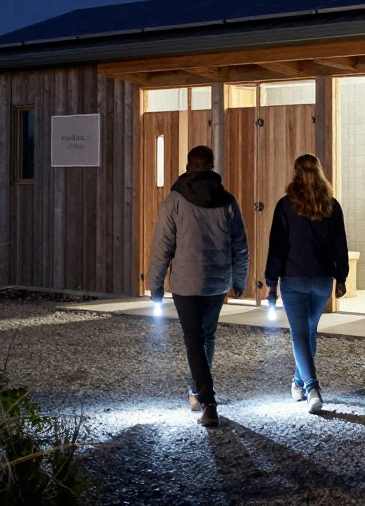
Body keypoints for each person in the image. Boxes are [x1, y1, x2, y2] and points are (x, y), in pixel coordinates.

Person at [148, 145, 249, 428]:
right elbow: (240, 244)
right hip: (217, 282)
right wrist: (239, 279)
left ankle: (207, 401)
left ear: (189, 166)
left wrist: (155, 283)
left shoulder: (175, 200)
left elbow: (162, 245)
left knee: (194, 339)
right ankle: (197, 391)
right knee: (207, 336)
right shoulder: (227, 200)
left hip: (186, 281)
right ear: (213, 166)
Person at [264, 153, 349, 414]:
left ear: (296, 174)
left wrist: (271, 282)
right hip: (322, 279)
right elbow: (340, 245)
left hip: (294, 278)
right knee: (309, 332)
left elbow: (277, 246)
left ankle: (313, 388)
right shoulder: (331, 206)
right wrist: (341, 276)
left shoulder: (285, 206)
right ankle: (298, 382)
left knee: (300, 334)